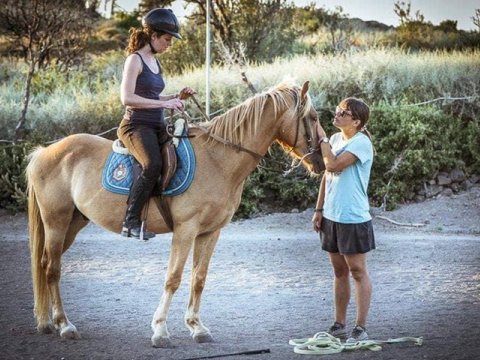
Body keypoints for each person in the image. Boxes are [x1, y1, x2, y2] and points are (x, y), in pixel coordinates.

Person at [118, 8, 195, 240]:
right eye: (167, 39)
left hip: (156, 125)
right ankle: (129, 221)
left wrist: (176, 98)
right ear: (153, 36)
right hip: (135, 126)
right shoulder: (135, 60)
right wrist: (165, 105)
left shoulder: (154, 61)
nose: (169, 44)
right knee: (152, 164)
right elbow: (127, 98)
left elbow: (153, 97)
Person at [312, 97, 375, 343]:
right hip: (331, 216)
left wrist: (322, 139)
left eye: (344, 112)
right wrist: (319, 210)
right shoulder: (337, 140)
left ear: (356, 121)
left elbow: (333, 164)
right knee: (339, 271)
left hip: (353, 218)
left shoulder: (361, 143)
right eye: (338, 109)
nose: (337, 113)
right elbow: (326, 178)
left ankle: (361, 327)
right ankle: (339, 324)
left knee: (358, 271)